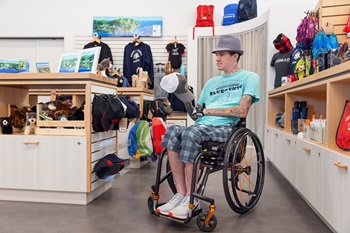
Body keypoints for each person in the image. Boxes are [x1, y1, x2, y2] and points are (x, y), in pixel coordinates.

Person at [156, 35, 260, 220]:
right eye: (216, 54)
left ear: (235, 56)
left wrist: (209, 111)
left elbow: (242, 111)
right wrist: (185, 96)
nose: (217, 58)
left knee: (190, 132)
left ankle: (191, 198)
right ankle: (180, 194)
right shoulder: (211, 82)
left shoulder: (249, 77)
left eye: (222, 54)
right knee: (173, 130)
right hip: (202, 127)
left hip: (227, 129)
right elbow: (196, 114)